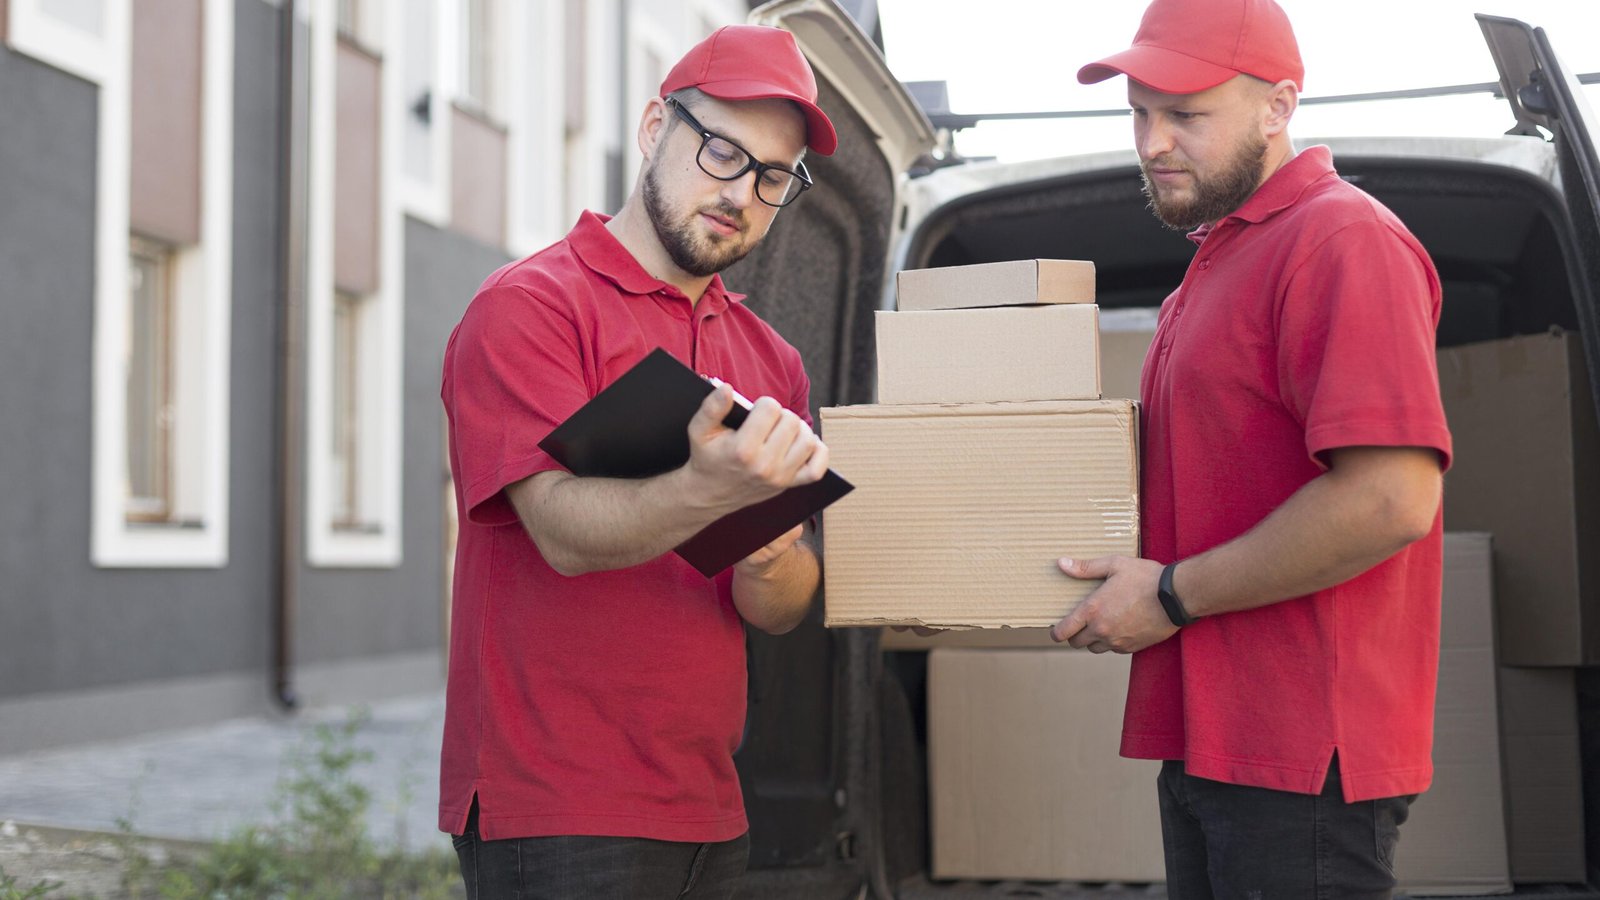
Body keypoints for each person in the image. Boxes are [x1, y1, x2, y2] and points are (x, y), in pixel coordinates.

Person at [1053, 0, 1453, 896]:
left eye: (1187, 114)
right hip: (1214, 738)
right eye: (1140, 112)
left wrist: (1168, 594)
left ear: (1278, 106)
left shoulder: (1340, 239)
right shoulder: (1223, 256)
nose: (1153, 140)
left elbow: (1391, 499)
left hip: (1301, 754)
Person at [437, 24, 838, 899]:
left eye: (775, 178)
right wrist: (706, 489)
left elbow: (779, 608)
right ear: (657, 127)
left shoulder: (773, 361)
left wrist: (770, 550)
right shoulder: (531, 308)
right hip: (555, 808)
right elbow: (563, 534)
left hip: (710, 805)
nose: (743, 194)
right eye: (723, 153)